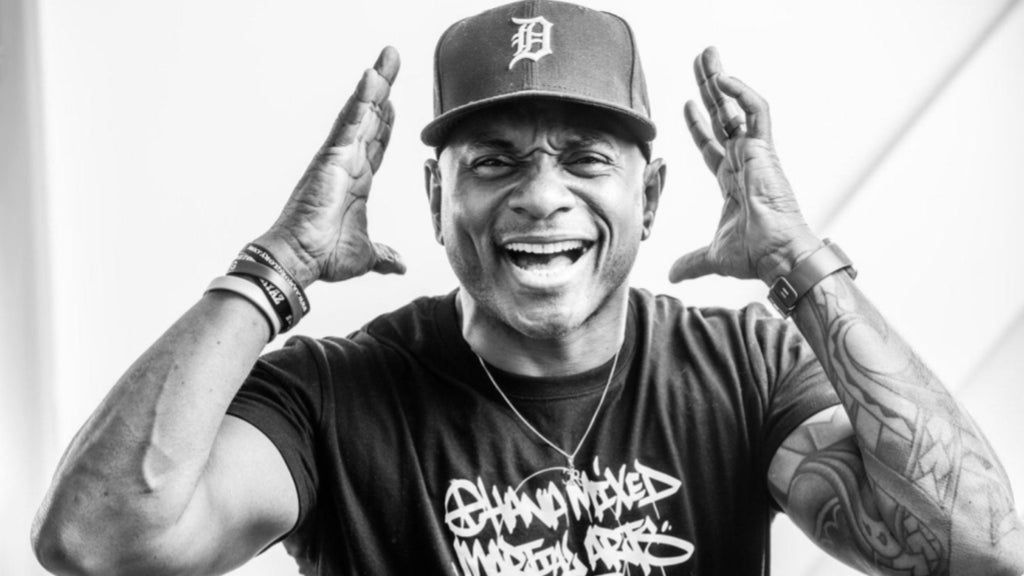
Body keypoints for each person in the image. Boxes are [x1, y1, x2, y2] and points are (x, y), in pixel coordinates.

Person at [30, 1, 1024, 574]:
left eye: (585, 158)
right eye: (494, 162)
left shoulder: (747, 368)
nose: (541, 197)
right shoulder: (330, 399)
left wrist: (800, 263)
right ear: (437, 197)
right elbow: (95, 541)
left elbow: (981, 549)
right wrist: (277, 263)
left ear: (650, 195)